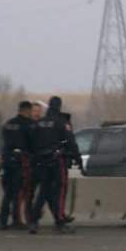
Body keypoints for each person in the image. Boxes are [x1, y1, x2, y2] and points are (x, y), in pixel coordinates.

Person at [29, 96, 81, 234]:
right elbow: (71, 142)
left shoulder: (39, 123)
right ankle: (60, 222)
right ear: (59, 106)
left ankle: (33, 221)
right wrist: (78, 159)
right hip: (57, 161)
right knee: (60, 192)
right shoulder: (61, 122)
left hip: (41, 162)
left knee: (43, 192)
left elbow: (31, 143)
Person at [0, 101, 34, 230]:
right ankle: (17, 220)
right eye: (30, 111)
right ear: (26, 110)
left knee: (8, 193)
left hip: (7, 160)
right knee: (18, 192)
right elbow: (31, 143)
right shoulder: (28, 125)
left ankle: (2, 220)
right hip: (20, 162)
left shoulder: (8, 124)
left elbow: (6, 141)